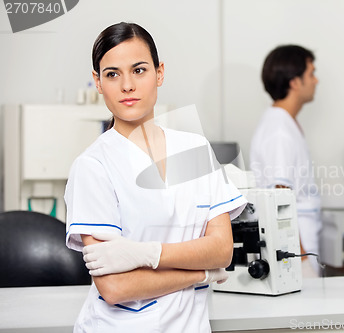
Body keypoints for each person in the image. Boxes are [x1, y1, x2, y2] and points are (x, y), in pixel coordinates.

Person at [65, 22, 247, 332]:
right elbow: (115, 288)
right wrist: (200, 273)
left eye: (139, 70)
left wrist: (144, 254)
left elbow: (221, 250)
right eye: (112, 74)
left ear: (159, 72)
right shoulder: (93, 166)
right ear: (97, 81)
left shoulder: (194, 149)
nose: (127, 86)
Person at [250, 45, 322, 277]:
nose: (316, 80)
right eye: (311, 74)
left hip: (302, 246)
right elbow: (278, 202)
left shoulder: (284, 123)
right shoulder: (279, 131)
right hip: (296, 253)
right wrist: (299, 260)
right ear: (294, 82)